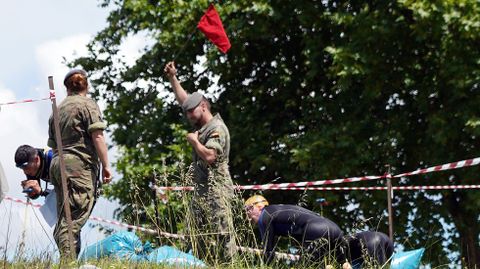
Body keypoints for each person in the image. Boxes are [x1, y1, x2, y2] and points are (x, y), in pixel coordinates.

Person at [164, 61, 235, 263]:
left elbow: (211, 157)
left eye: (190, 112)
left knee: (223, 237)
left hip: (217, 191)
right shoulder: (203, 122)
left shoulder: (216, 129)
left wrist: (195, 142)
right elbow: (185, 100)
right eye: (186, 112)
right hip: (202, 191)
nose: (187, 116)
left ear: (203, 107)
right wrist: (172, 77)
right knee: (192, 237)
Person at [47, 69, 112, 259]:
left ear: (66, 87)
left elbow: (51, 145)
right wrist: (106, 165)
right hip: (79, 166)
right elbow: (98, 136)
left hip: (58, 164)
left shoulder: (57, 110)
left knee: (64, 217)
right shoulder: (88, 105)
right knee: (73, 219)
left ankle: (69, 259)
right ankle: (68, 263)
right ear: (86, 86)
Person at [245, 195, 347, 267]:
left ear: (258, 206)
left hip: (315, 229)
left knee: (306, 266)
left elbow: (268, 250)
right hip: (334, 228)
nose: (247, 215)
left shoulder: (264, 215)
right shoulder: (277, 209)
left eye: (248, 210)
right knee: (343, 265)